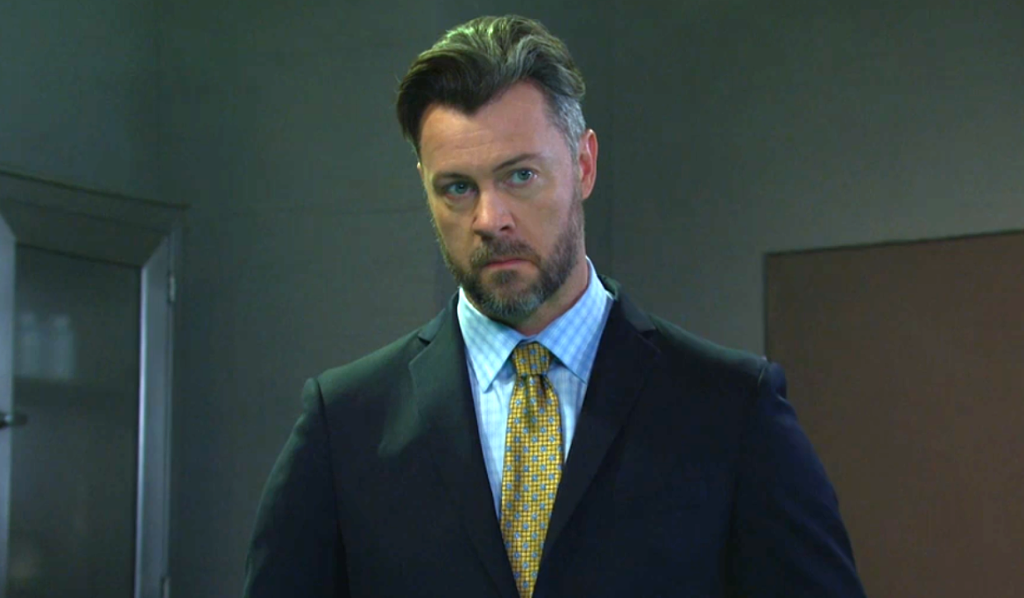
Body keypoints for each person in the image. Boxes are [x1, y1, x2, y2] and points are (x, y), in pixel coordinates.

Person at [243, 15, 867, 598]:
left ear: (583, 165)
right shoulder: (345, 425)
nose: (490, 219)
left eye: (520, 176)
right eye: (457, 188)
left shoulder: (730, 409)